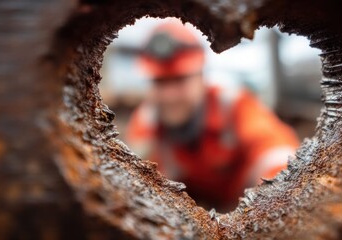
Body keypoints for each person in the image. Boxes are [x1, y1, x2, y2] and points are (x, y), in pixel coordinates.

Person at [126, 19, 299, 211]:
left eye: (179, 80)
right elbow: (138, 191)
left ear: (201, 77)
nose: (169, 95)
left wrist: (273, 203)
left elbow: (276, 151)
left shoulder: (232, 104)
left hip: (247, 210)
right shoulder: (145, 125)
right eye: (160, 82)